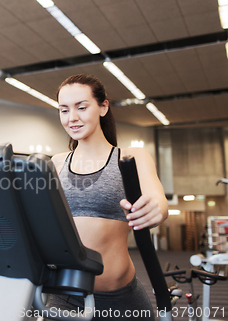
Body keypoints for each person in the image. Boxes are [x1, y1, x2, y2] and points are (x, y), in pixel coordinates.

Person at [49, 74, 168, 320]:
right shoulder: (57, 163)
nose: (72, 118)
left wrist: (154, 209)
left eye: (82, 107)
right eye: (64, 110)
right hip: (66, 295)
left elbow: (157, 199)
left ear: (103, 107)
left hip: (120, 297)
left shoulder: (131, 157)